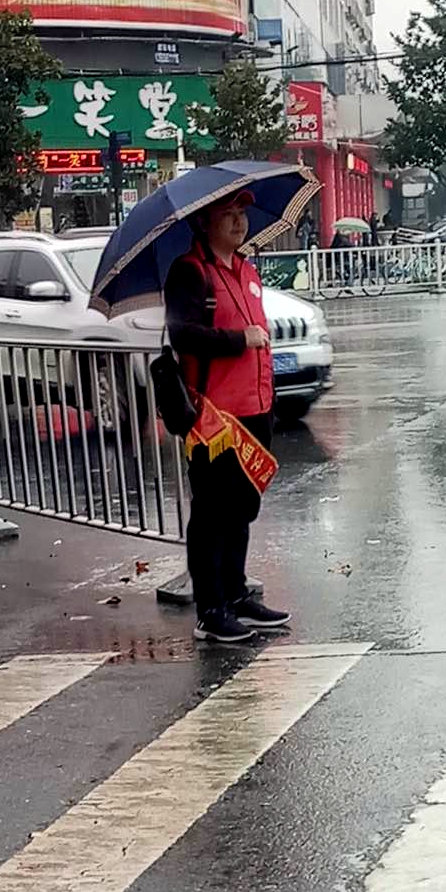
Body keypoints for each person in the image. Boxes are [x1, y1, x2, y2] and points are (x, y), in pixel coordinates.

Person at [164, 189, 291, 644]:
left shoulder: (246, 269)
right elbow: (183, 334)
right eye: (228, 215)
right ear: (204, 223)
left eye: (242, 214)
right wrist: (240, 340)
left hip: (256, 409)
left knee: (241, 510)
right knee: (212, 513)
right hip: (214, 418)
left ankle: (236, 595)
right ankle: (211, 609)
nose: (239, 223)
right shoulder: (190, 272)